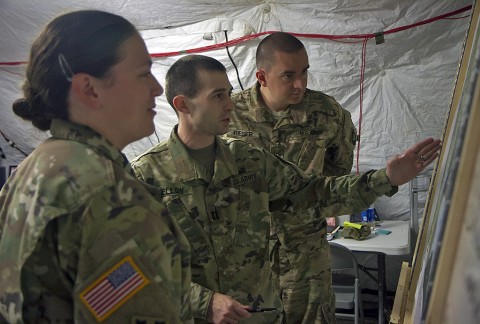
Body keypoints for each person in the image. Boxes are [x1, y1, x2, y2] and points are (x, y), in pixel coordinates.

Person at [131, 54, 441, 324]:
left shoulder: (249, 160)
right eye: (217, 96)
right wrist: (205, 302)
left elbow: (314, 194)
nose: (229, 104)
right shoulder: (147, 176)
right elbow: (133, 268)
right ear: (183, 104)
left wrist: (386, 178)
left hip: (259, 314)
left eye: (228, 93)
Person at [0, 10, 192, 323]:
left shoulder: (36, 168)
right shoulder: (106, 194)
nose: (157, 89)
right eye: (144, 73)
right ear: (89, 88)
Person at [225, 31, 357, 323]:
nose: (300, 84)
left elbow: (338, 169)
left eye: (305, 73)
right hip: (248, 261)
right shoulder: (229, 115)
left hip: (306, 261)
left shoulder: (327, 113)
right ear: (262, 76)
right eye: (288, 76)